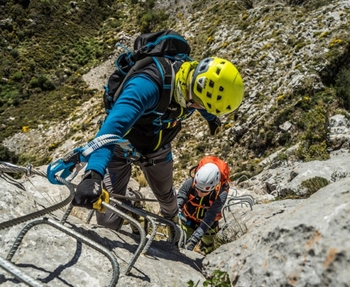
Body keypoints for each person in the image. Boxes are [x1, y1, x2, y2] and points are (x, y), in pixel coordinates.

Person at [71, 56, 244, 234]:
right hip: (119, 146)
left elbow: (202, 103)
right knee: (108, 222)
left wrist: (211, 119)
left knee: (168, 202)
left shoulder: (190, 83)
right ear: (197, 89)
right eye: (202, 106)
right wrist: (94, 174)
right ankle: (131, 201)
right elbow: (111, 130)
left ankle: (172, 226)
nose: (200, 108)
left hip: (156, 146)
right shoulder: (147, 85)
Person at [177, 160, 229, 253]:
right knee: (180, 243)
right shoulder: (190, 183)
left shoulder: (221, 195)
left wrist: (194, 239)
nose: (200, 194)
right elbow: (180, 197)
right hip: (188, 219)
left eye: (204, 191)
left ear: (214, 186)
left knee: (208, 248)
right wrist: (175, 212)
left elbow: (211, 216)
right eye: (197, 189)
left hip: (209, 225)